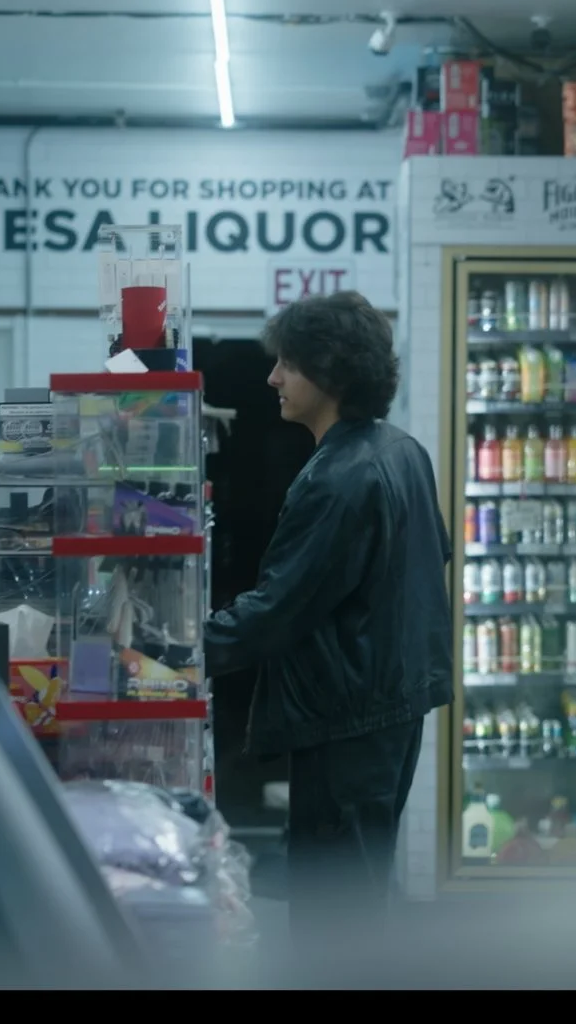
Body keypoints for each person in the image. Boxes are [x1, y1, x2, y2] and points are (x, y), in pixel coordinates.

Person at [202, 291, 452, 950]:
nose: (272, 378)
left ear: (331, 370)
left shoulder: (338, 479)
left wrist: (179, 650)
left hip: (350, 720)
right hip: (392, 705)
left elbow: (278, 608)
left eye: (287, 363)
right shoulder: (401, 451)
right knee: (360, 891)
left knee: (333, 913)